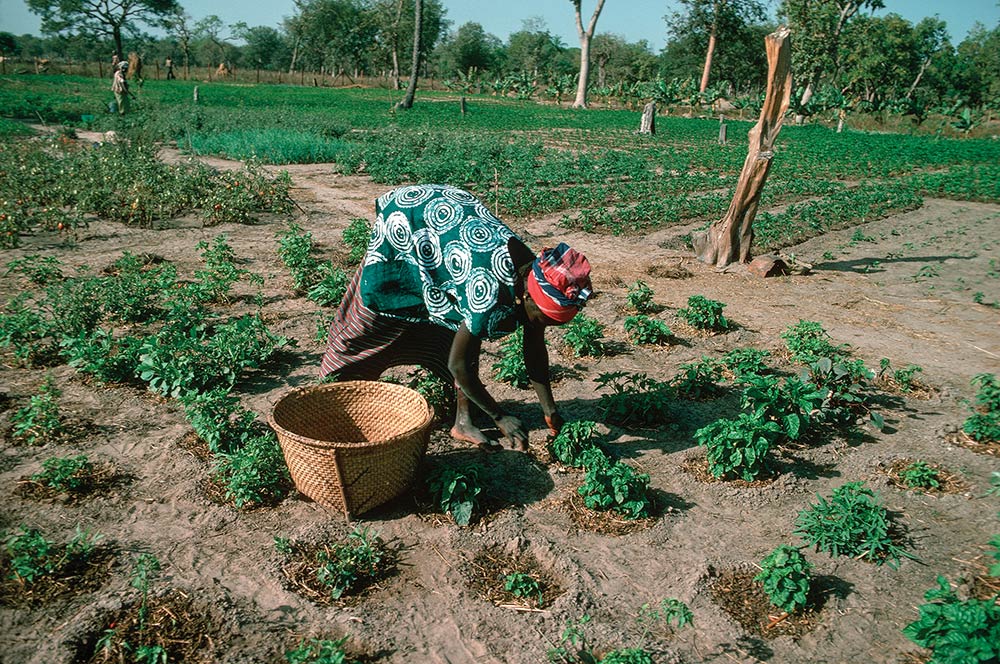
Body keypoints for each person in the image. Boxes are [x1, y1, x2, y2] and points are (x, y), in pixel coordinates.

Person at [320, 184, 593, 452]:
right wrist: (499, 417)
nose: (540, 327)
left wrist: (550, 410)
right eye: (543, 319)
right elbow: (458, 364)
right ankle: (341, 380)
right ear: (529, 297)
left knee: (464, 324)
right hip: (411, 215)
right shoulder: (489, 288)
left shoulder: (535, 278)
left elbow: (534, 347)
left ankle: (463, 422)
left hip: (450, 219)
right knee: (382, 315)